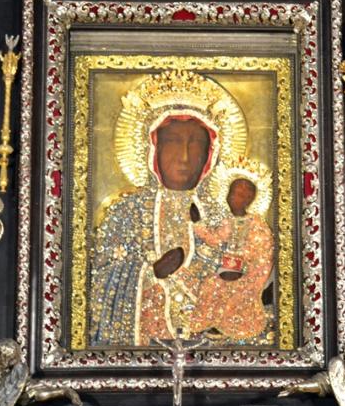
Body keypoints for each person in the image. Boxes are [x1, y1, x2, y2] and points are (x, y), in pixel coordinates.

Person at [89, 70, 248, 346]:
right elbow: (96, 285)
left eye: (195, 144)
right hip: (143, 347)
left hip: (210, 347)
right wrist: (150, 273)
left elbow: (246, 284)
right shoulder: (125, 213)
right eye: (173, 142)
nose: (184, 157)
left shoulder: (222, 216)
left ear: (211, 153)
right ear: (153, 148)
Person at [186, 160, 275, 341]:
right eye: (233, 193)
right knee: (210, 285)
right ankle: (208, 323)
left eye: (242, 195)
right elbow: (215, 239)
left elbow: (264, 255)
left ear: (251, 199)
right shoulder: (228, 221)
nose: (235, 198)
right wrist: (197, 223)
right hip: (226, 270)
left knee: (236, 293)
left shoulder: (257, 225)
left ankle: (228, 326)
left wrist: (244, 269)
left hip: (249, 276)